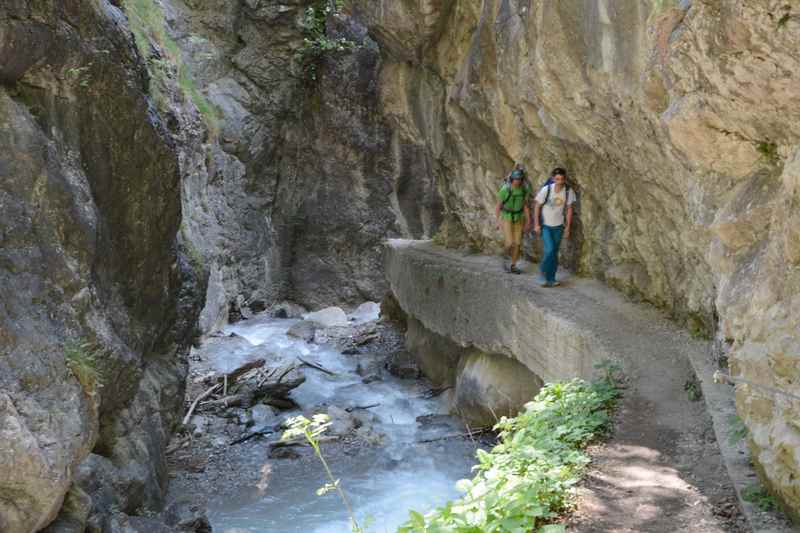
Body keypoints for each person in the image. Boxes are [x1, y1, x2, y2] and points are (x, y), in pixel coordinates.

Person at [533, 167, 576, 287]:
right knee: (549, 250)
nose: (560, 181)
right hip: (546, 226)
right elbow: (537, 206)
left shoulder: (568, 191)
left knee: (554, 253)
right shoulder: (546, 190)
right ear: (553, 179)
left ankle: (551, 278)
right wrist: (536, 224)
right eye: (557, 179)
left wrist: (567, 228)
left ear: (564, 179)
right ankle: (542, 273)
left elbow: (569, 209)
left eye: (562, 179)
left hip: (559, 226)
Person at [496, 168, 531, 274]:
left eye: (520, 179)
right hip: (506, 218)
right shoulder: (505, 190)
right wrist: (498, 221)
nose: (518, 181)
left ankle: (513, 265)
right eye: (516, 179)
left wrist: (529, 221)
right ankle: (505, 258)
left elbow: (525, 206)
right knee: (510, 243)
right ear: (512, 179)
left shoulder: (524, 189)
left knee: (518, 243)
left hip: (519, 218)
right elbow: (498, 206)